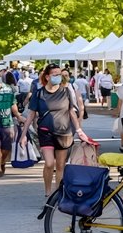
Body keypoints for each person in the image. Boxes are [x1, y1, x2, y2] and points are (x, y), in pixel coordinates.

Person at [19, 64, 91, 196]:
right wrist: (23, 135)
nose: (59, 77)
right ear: (47, 76)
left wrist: (79, 130)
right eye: (55, 74)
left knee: (60, 165)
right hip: (45, 131)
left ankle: (57, 194)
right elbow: (31, 114)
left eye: (60, 74)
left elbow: (71, 112)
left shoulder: (66, 91)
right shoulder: (39, 93)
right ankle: (48, 191)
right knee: (49, 163)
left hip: (64, 132)